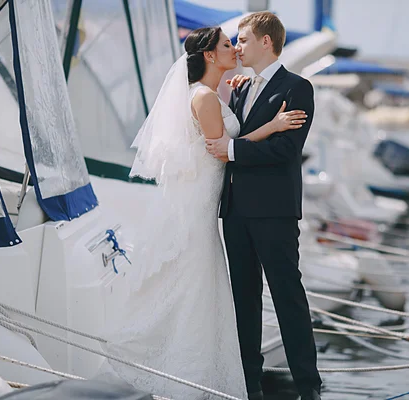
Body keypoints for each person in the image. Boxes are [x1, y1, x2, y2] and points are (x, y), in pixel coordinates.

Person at [99, 26, 307, 399]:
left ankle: (217, 372)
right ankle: (190, 370)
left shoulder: (222, 91)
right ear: (210, 55)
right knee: (199, 286)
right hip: (208, 206)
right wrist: (272, 125)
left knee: (205, 289)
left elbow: (230, 136)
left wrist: (245, 93)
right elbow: (219, 147)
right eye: (229, 44)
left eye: (239, 41)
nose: (235, 49)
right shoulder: (205, 98)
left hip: (219, 205)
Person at [205, 12, 322, 400]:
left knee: (288, 296)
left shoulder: (298, 87)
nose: (237, 47)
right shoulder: (238, 88)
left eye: (242, 40)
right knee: (244, 301)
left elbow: (286, 149)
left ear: (266, 42)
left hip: (274, 210)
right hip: (236, 211)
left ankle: (309, 388)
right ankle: (249, 386)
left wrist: (234, 150)